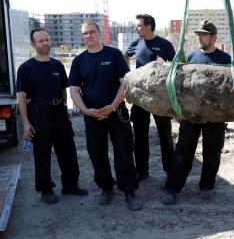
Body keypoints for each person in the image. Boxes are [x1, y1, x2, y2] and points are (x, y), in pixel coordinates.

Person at [69, 21, 142, 211]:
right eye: (85, 33)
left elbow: (124, 83)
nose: (88, 36)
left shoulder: (114, 54)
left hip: (116, 112)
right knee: (97, 154)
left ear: (99, 33)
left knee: (124, 152)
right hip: (92, 116)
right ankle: (106, 187)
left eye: (92, 32)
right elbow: (75, 90)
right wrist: (85, 110)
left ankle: (128, 190)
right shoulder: (79, 61)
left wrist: (112, 106)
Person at [160, 20, 231, 205]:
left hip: (215, 116)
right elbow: (180, 87)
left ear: (214, 37)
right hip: (191, 116)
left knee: (212, 152)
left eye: (204, 34)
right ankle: (172, 188)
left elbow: (230, 89)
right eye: (198, 34)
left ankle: (207, 185)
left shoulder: (225, 59)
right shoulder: (190, 56)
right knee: (183, 151)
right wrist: (177, 110)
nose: (200, 37)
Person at [16, 28, 88, 204]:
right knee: (42, 153)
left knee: (68, 151)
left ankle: (70, 185)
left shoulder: (57, 65)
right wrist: (26, 123)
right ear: (33, 44)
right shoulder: (26, 68)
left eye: (47, 40)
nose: (45, 43)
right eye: (40, 41)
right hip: (39, 113)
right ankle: (46, 189)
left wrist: (66, 108)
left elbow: (64, 89)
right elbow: (22, 97)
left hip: (59, 112)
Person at [123, 14, 175, 181]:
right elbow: (125, 56)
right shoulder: (136, 43)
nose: (136, 28)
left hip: (161, 98)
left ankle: (170, 170)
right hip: (141, 97)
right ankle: (142, 171)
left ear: (148, 26)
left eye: (138, 25)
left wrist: (164, 66)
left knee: (165, 135)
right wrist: (128, 73)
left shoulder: (164, 44)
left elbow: (176, 66)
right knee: (139, 135)